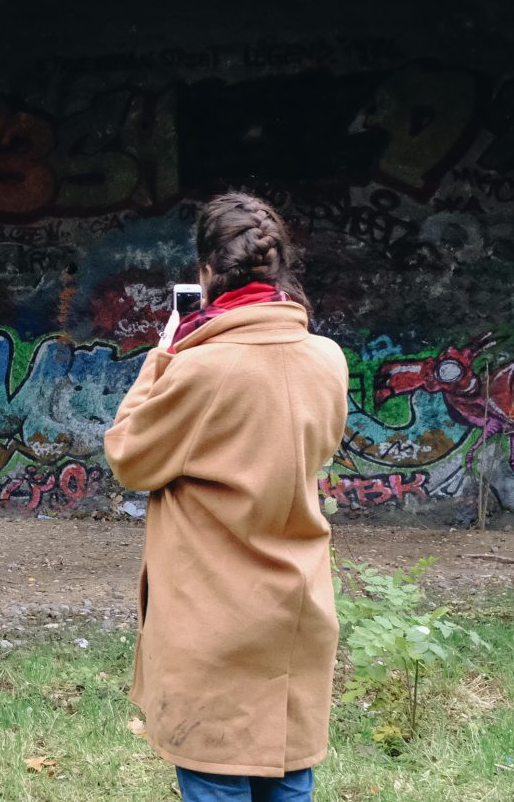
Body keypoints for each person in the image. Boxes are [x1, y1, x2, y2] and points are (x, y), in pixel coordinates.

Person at [104, 193, 348, 802]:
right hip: (298, 604)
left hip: (213, 613)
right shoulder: (328, 359)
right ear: (277, 268)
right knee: (287, 770)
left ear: (207, 273)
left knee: (215, 777)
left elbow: (130, 459)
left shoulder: (199, 368)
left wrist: (163, 356)